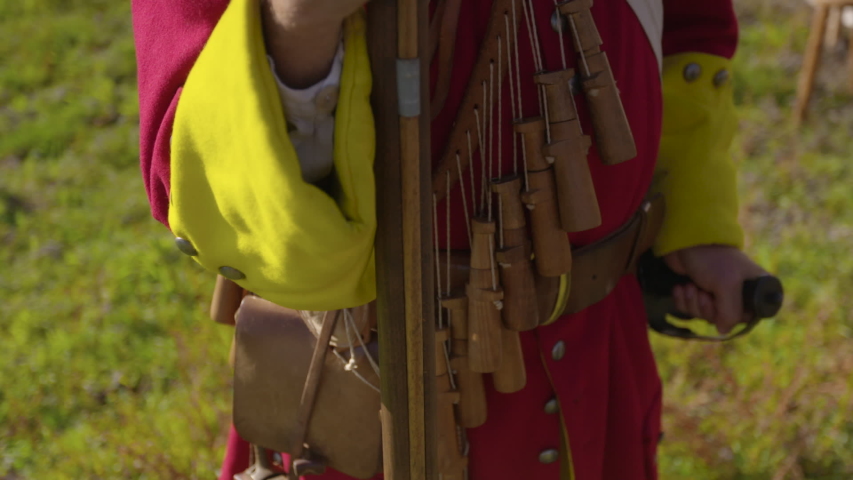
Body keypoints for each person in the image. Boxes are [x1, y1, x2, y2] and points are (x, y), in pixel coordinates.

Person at [132, 0, 769, 478]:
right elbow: (186, 155)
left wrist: (697, 219)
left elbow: (690, 28)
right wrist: (299, 29)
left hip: (602, 349)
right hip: (374, 370)